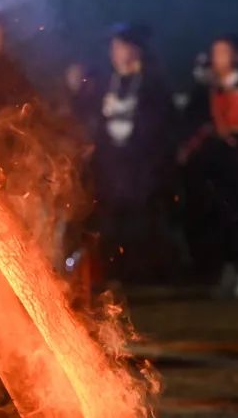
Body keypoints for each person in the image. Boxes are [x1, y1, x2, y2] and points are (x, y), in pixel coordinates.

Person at [180, 34, 238, 297]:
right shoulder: (204, 90)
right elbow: (190, 121)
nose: (218, 58)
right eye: (216, 52)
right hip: (214, 165)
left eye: (224, 52)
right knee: (218, 216)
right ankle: (226, 267)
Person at [84, 23, 175, 283]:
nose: (117, 52)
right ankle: (114, 274)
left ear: (136, 49)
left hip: (140, 167)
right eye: (114, 47)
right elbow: (92, 118)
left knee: (140, 220)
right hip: (110, 166)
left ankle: (142, 275)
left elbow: (163, 124)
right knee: (110, 219)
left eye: (122, 46)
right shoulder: (104, 83)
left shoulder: (153, 84)